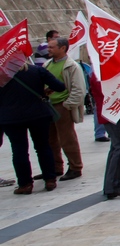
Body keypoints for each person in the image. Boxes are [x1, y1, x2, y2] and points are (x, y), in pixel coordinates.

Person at [1, 60, 65, 193]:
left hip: (11, 118)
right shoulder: (36, 70)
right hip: (38, 114)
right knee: (43, 147)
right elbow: (60, 86)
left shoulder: (2, 75)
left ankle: (25, 184)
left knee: (19, 150)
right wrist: (46, 90)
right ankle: (50, 180)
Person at [44, 36, 86, 181]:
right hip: (49, 106)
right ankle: (56, 167)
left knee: (67, 138)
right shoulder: (47, 65)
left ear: (62, 48)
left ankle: (75, 167)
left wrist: (67, 105)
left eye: (52, 47)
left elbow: (79, 89)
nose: (48, 49)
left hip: (62, 106)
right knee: (51, 139)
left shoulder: (71, 66)